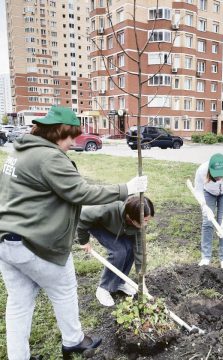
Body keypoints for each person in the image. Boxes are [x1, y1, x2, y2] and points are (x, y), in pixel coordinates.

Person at [0, 106, 148, 360]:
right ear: (59, 133)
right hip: (36, 243)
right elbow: (81, 193)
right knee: (64, 289)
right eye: (71, 136)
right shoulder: (50, 157)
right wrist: (126, 188)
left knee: (19, 303)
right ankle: (73, 341)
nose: (73, 142)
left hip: (6, 241)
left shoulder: (19, 150)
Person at [77, 196, 155, 307]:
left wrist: (141, 277)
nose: (146, 224)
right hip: (99, 224)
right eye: (145, 220)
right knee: (119, 252)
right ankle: (104, 288)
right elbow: (82, 217)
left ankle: (119, 282)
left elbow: (139, 248)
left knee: (131, 250)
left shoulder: (140, 221)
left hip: (121, 227)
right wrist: (83, 240)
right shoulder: (108, 208)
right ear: (131, 217)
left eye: (148, 220)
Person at [194, 153, 223, 269]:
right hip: (208, 193)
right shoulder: (202, 170)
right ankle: (205, 257)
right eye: (216, 176)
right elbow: (197, 191)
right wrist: (204, 206)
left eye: (221, 176)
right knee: (207, 222)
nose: (219, 178)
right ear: (210, 170)